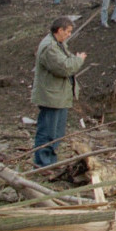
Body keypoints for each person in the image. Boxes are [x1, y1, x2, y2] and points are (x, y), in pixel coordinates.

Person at [31, 16, 86, 167]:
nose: (69, 35)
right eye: (68, 31)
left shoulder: (58, 44)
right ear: (59, 30)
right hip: (51, 96)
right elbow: (64, 68)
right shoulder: (50, 47)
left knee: (56, 133)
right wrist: (79, 60)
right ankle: (42, 163)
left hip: (59, 96)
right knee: (48, 131)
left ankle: (50, 161)